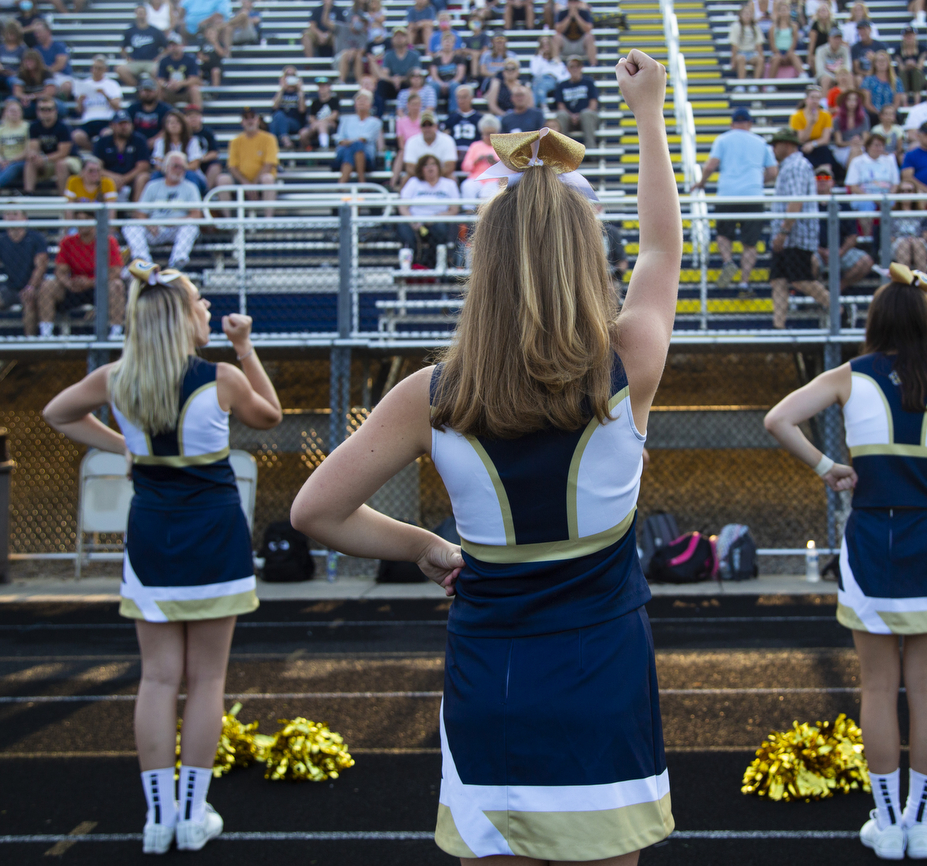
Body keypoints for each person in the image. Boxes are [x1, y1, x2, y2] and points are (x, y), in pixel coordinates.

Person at [290, 49, 678, 864]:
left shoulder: (430, 393)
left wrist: (428, 548)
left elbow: (315, 512)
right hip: (604, 681)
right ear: (583, 260)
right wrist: (648, 113)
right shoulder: (628, 360)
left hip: (489, 686)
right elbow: (659, 255)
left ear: (485, 266)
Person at [42, 260, 282, 855]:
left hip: (151, 535)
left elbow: (57, 414)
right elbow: (269, 417)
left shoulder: (114, 378)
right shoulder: (221, 377)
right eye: (200, 301)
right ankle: (194, 817)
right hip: (215, 537)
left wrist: (121, 444)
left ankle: (158, 820)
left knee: (156, 678)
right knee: (206, 680)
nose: (206, 308)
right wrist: (245, 348)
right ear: (182, 316)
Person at [764, 261, 927, 862]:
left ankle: (885, 823)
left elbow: (777, 419)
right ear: (926, 321)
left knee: (878, 689)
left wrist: (829, 468)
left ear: (875, 321)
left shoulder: (849, 376)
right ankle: (920, 826)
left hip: (875, 537)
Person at [690, 108, 777, 289]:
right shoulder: (761, 143)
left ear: (732, 124)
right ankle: (744, 282)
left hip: (727, 194)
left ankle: (728, 261)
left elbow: (710, 166)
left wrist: (701, 183)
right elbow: (773, 172)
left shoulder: (723, 139)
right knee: (750, 242)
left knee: (723, 234)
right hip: (753, 196)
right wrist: (758, 182)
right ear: (750, 124)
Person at [768, 126, 828, 329]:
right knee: (778, 280)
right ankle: (779, 326)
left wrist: (784, 232)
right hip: (788, 234)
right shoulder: (790, 166)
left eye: (776, 144)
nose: (773, 149)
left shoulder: (796, 166)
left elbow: (796, 201)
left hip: (796, 235)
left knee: (800, 279)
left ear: (787, 144)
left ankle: (839, 310)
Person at [35, 222, 126, 338]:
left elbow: (116, 272)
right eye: (79, 219)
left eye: (87, 219)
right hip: (74, 287)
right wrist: (69, 283)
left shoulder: (108, 241)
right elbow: (60, 271)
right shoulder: (68, 241)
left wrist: (91, 282)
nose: (83, 223)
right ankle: (46, 334)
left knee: (117, 285)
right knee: (47, 285)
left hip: (99, 287)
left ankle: (116, 333)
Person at [0, 209, 48, 336]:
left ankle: (29, 342)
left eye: (15, 214)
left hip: (32, 287)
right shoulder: (0, 241)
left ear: (24, 218)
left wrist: (31, 286)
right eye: (8, 214)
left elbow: (40, 267)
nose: (11, 217)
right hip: (10, 288)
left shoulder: (36, 238)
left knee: (30, 300)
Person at [125, 152, 201, 271]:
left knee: (191, 227)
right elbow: (140, 213)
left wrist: (174, 221)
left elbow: (196, 215)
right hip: (155, 229)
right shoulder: (152, 186)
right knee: (130, 226)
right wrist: (149, 224)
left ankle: (177, 262)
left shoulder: (191, 187)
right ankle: (144, 261)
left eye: (182, 167)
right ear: (166, 167)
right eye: (175, 166)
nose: (179, 170)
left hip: (177, 229)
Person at [813, 165, 873, 291]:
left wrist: (840, 252)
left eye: (826, 177)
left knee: (866, 261)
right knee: (808, 260)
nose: (822, 180)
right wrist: (821, 251)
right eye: (818, 177)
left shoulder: (843, 204)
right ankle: (818, 292)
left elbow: (853, 235)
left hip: (841, 251)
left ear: (833, 182)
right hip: (815, 251)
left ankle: (834, 291)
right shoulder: (807, 205)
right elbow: (803, 235)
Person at [395, 152, 458, 253]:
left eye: (433, 164)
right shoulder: (413, 182)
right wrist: (412, 221)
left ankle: (435, 263)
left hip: (438, 222)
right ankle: (412, 263)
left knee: (440, 229)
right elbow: (403, 206)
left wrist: (437, 217)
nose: (430, 168)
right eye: (426, 165)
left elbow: (454, 210)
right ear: (421, 169)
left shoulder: (449, 184)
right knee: (403, 229)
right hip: (415, 223)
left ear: (438, 167)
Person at [216, 107, 276, 208]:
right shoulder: (235, 141)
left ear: (257, 120)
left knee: (268, 179)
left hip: (260, 182)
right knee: (222, 180)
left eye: (252, 117)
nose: (250, 121)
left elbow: (269, 164)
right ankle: (227, 222)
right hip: (241, 182)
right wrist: (246, 184)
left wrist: (254, 185)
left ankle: (268, 220)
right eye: (246, 118)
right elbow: (232, 166)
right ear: (242, 122)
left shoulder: (269, 139)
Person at [845, 132, 899, 234]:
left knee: (892, 204)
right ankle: (868, 238)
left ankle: (890, 235)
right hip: (864, 195)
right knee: (865, 205)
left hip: (885, 195)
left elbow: (895, 184)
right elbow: (853, 187)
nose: (879, 148)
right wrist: (872, 198)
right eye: (876, 145)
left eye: (881, 145)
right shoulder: (857, 161)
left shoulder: (890, 161)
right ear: (868, 146)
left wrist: (888, 197)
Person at [96, 110, 153, 202]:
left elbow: (143, 166)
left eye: (127, 124)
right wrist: (114, 177)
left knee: (143, 177)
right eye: (120, 124)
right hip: (109, 178)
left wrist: (124, 179)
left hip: (132, 177)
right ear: (112, 125)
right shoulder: (103, 142)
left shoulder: (139, 140)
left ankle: (136, 212)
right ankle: (104, 213)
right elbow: (96, 165)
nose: (124, 127)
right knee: (94, 176)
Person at [23, 96, 77, 193]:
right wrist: (34, 155)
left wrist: (44, 159)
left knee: (60, 164)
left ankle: (64, 199)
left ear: (55, 111)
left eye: (49, 109)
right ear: (37, 111)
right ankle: (28, 195)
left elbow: (63, 153)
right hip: (48, 160)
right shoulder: (34, 127)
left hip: (70, 159)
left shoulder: (63, 127)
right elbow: (33, 147)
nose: (46, 112)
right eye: (42, 109)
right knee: (30, 163)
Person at [72, 54, 124, 149]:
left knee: (107, 134)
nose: (96, 71)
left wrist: (105, 95)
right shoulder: (84, 84)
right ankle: (94, 150)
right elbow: (79, 111)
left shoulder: (112, 85)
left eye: (99, 68)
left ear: (105, 70)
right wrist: (80, 101)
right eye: (94, 68)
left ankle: (99, 152)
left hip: (106, 120)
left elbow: (117, 107)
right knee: (76, 136)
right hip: (88, 121)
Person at [151, 109, 207, 193]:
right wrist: (172, 171)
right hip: (166, 173)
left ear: (183, 124)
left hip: (188, 173)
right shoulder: (160, 142)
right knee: (155, 176)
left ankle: (194, 203)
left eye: (177, 122)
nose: (174, 125)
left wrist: (177, 169)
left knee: (190, 175)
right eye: (170, 122)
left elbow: (194, 165)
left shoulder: (192, 141)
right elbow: (158, 164)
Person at [332, 89, 381, 183]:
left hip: (366, 155)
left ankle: (341, 185)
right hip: (344, 150)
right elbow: (340, 139)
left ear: (370, 104)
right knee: (353, 147)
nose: (362, 102)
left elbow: (364, 139)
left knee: (356, 146)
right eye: (359, 99)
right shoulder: (345, 120)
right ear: (355, 104)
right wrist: (352, 142)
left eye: (365, 99)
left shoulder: (375, 122)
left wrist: (349, 142)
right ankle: (361, 181)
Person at [399, 110, 455, 187]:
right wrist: (427, 176)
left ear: (436, 126)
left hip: (441, 177)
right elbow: (410, 168)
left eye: (430, 124)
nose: (427, 128)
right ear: (420, 127)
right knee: (406, 179)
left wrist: (433, 176)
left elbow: (449, 167)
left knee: (452, 178)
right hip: (419, 177)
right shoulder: (411, 142)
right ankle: (403, 199)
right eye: (424, 125)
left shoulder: (447, 140)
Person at [553, 55, 598, 146]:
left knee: (587, 114)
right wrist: (571, 115)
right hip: (568, 118)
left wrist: (579, 115)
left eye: (577, 66)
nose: (575, 69)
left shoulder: (589, 82)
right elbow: (560, 105)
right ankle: (561, 153)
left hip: (585, 117)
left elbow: (593, 104)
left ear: (581, 68)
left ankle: (592, 151)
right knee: (561, 115)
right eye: (572, 66)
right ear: (567, 69)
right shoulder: (562, 85)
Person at [374, 27, 421, 116]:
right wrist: (393, 80)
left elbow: (415, 73)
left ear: (407, 38)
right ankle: (378, 116)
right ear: (392, 39)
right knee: (381, 85)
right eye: (396, 36)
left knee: (414, 82)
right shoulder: (388, 55)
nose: (399, 38)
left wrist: (401, 79)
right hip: (392, 85)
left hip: (407, 84)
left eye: (402, 36)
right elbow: (384, 74)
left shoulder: (414, 55)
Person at [119, 4, 168, 86]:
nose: (141, 15)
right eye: (139, 13)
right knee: (120, 69)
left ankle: (153, 91)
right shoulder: (130, 31)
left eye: (142, 13)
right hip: (135, 61)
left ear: (146, 14)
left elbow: (166, 48)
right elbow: (123, 48)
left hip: (151, 62)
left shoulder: (155, 31)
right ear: (136, 14)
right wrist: (127, 58)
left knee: (158, 70)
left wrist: (159, 58)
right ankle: (138, 88)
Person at [0, 99, 31, 190]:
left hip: (21, 160)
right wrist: (1, 161)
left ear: (21, 112)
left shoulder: (27, 127)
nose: (14, 113)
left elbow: (28, 150)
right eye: (11, 111)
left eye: (17, 111)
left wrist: (11, 161)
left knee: (13, 167)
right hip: (3, 160)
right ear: (6, 113)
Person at [458, 112, 500, 204]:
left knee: (490, 190)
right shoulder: (475, 146)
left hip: (494, 179)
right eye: (486, 134)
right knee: (467, 186)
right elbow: (465, 167)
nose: (489, 137)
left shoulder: (501, 147)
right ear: (482, 134)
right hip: (476, 178)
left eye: (491, 133)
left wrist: (494, 162)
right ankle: (468, 212)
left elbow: (506, 168)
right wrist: (476, 161)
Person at [790, 84, 834, 169]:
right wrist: (810, 124)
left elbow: (825, 139)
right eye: (812, 98)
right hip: (803, 146)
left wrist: (813, 144)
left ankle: (825, 177)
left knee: (825, 152)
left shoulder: (826, 115)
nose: (815, 101)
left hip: (818, 145)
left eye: (817, 98)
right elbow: (801, 139)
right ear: (806, 99)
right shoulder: (797, 116)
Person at [890, 181, 927, 270]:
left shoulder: (921, 213)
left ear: (914, 193)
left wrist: (913, 241)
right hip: (898, 245)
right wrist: (906, 241)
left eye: (909, 191)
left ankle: (922, 282)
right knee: (904, 245)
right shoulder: (891, 214)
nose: (906, 194)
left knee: (918, 244)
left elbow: (926, 236)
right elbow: (890, 239)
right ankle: (905, 282)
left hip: (918, 244)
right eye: (902, 191)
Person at [29, 20, 73, 99]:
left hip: (59, 75)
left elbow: (60, 65)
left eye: (39, 32)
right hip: (42, 76)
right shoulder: (35, 50)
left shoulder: (59, 46)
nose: (37, 35)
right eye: (36, 33)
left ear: (48, 31)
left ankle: (58, 103)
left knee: (66, 86)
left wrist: (46, 72)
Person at [268, 66, 307, 149]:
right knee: (278, 116)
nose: (290, 77)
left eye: (292, 75)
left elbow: (302, 110)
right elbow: (274, 106)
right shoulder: (280, 93)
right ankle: (284, 138)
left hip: (294, 122)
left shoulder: (299, 93)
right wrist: (282, 88)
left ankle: (271, 146)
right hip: (280, 121)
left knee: (277, 119)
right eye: (287, 75)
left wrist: (300, 91)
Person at [428, 30, 466, 113]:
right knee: (433, 85)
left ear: (454, 44)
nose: (448, 43)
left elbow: (460, 75)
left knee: (454, 85)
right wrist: (441, 84)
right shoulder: (436, 59)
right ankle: (431, 111)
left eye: (450, 41)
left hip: (453, 83)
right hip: (439, 84)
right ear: (441, 43)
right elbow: (434, 75)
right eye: (445, 41)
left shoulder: (459, 58)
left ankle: (453, 111)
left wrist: (449, 84)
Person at [128, 79, 174, 143]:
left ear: (156, 92)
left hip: (159, 144)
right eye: (145, 91)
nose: (147, 94)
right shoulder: (133, 108)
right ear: (140, 92)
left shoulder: (165, 109)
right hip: (135, 143)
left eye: (150, 91)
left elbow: (169, 128)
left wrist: (154, 140)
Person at [767, 1, 805, 79]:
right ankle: (770, 83)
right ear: (778, 12)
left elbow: (794, 42)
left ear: (789, 11)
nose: (784, 12)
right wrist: (778, 53)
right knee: (776, 58)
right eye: (782, 10)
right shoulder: (773, 27)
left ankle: (803, 75)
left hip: (789, 52)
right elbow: (772, 43)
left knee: (793, 55)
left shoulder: (794, 26)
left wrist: (789, 52)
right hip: (777, 52)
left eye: (786, 10)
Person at [530, 34, 569, 109]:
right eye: (543, 45)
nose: (545, 47)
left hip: (552, 80)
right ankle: (543, 105)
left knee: (538, 83)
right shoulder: (535, 59)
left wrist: (557, 78)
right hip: (538, 80)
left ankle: (535, 107)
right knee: (538, 82)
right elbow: (535, 72)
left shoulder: (556, 60)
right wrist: (540, 56)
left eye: (547, 44)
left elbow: (565, 75)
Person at [730, 2, 764, 86]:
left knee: (760, 60)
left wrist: (761, 57)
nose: (747, 15)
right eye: (745, 13)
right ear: (740, 15)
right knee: (741, 59)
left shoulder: (755, 27)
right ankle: (741, 84)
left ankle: (755, 84)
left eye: (749, 13)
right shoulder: (736, 26)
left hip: (752, 53)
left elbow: (759, 44)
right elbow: (734, 45)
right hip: (741, 52)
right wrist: (733, 60)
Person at [832, 88, 868, 167]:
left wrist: (857, 143)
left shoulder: (864, 118)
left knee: (857, 151)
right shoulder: (837, 120)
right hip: (843, 149)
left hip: (860, 147)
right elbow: (839, 142)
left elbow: (866, 139)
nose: (852, 103)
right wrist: (851, 143)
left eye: (854, 100)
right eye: (849, 100)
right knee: (855, 151)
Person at [445, 84, 482, 160]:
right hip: (454, 153)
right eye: (459, 97)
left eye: (464, 97)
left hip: (473, 153)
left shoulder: (479, 118)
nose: (461, 101)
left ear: (471, 98)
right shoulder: (451, 118)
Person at [553, 0, 596, 66]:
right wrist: (569, 16)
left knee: (590, 37)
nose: (573, 4)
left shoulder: (584, 13)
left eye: (575, 2)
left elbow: (588, 29)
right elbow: (558, 29)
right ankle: (555, 64)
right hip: (566, 44)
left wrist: (576, 16)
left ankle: (593, 65)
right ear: (568, 3)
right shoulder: (562, 13)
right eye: (571, 2)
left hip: (580, 44)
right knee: (556, 37)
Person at [895, 25, 926, 97]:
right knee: (902, 74)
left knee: (917, 73)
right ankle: (904, 102)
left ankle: (916, 101)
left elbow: (920, 67)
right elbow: (901, 68)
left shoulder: (922, 49)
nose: (909, 37)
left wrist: (913, 65)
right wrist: (907, 66)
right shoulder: (898, 50)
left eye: (911, 35)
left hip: (917, 78)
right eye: (907, 35)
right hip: (905, 78)